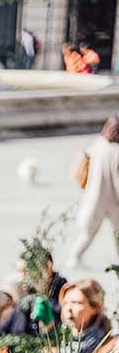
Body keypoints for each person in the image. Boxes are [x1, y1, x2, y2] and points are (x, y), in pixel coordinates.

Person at [69, 115, 119, 272]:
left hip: (94, 196)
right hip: (114, 200)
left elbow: (83, 157)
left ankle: (74, 257)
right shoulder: (117, 152)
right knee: (117, 232)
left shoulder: (98, 144)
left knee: (89, 231)